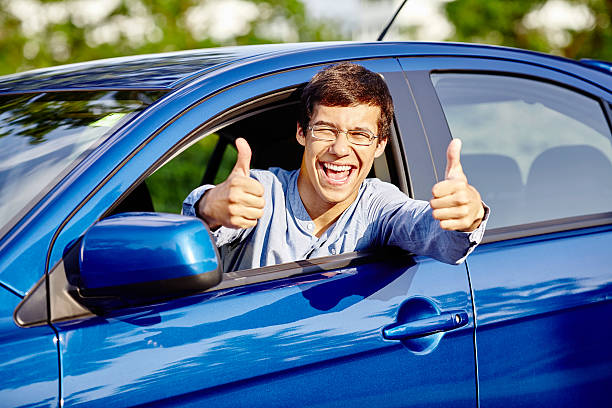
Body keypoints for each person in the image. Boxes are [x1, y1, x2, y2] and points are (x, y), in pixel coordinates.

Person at [183, 62, 488, 272]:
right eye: (326, 130)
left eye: (359, 135)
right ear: (302, 133)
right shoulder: (263, 189)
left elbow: (437, 238)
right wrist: (209, 207)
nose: (340, 150)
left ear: (380, 145)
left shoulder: (378, 205)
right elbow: (204, 228)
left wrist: (467, 217)